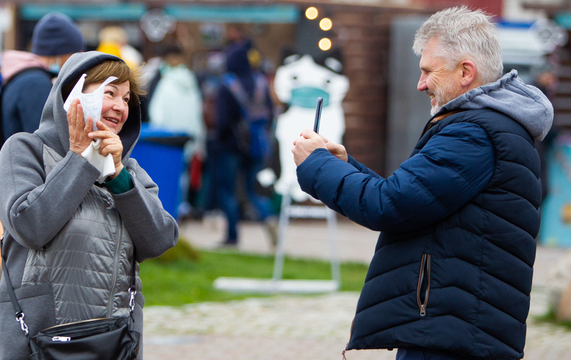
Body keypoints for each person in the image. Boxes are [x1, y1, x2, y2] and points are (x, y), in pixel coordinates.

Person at [293, 6, 553, 360]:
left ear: (465, 72)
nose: (420, 83)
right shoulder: (487, 127)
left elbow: (389, 206)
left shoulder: (474, 134)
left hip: (450, 335)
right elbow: (415, 201)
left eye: (428, 71)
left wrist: (316, 165)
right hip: (457, 329)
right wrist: (343, 165)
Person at [0, 51, 179, 359]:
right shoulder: (25, 151)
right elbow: (30, 226)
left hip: (113, 343)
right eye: (109, 93)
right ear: (73, 95)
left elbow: (160, 239)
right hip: (39, 343)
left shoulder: (128, 171)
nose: (120, 106)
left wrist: (118, 178)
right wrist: (80, 160)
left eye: (126, 98)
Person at [214, 41, 275, 247]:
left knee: (228, 190)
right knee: (253, 190)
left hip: (231, 146)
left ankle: (232, 237)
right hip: (256, 146)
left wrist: (219, 139)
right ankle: (268, 218)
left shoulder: (227, 84)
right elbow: (271, 113)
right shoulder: (261, 82)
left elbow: (222, 120)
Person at [0, 11, 84, 141]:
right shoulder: (35, 83)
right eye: (75, 54)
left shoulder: (23, 76)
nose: (76, 62)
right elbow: (44, 140)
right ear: (59, 52)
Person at [148, 43, 205, 218]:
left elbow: (156, 113)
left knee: (163, 179)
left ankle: (164, 213)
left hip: (165, 140)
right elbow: (197, 112)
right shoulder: (191, 81)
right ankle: (180, 209)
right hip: (187, 139)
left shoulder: (165, 82)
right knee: (183, 179)